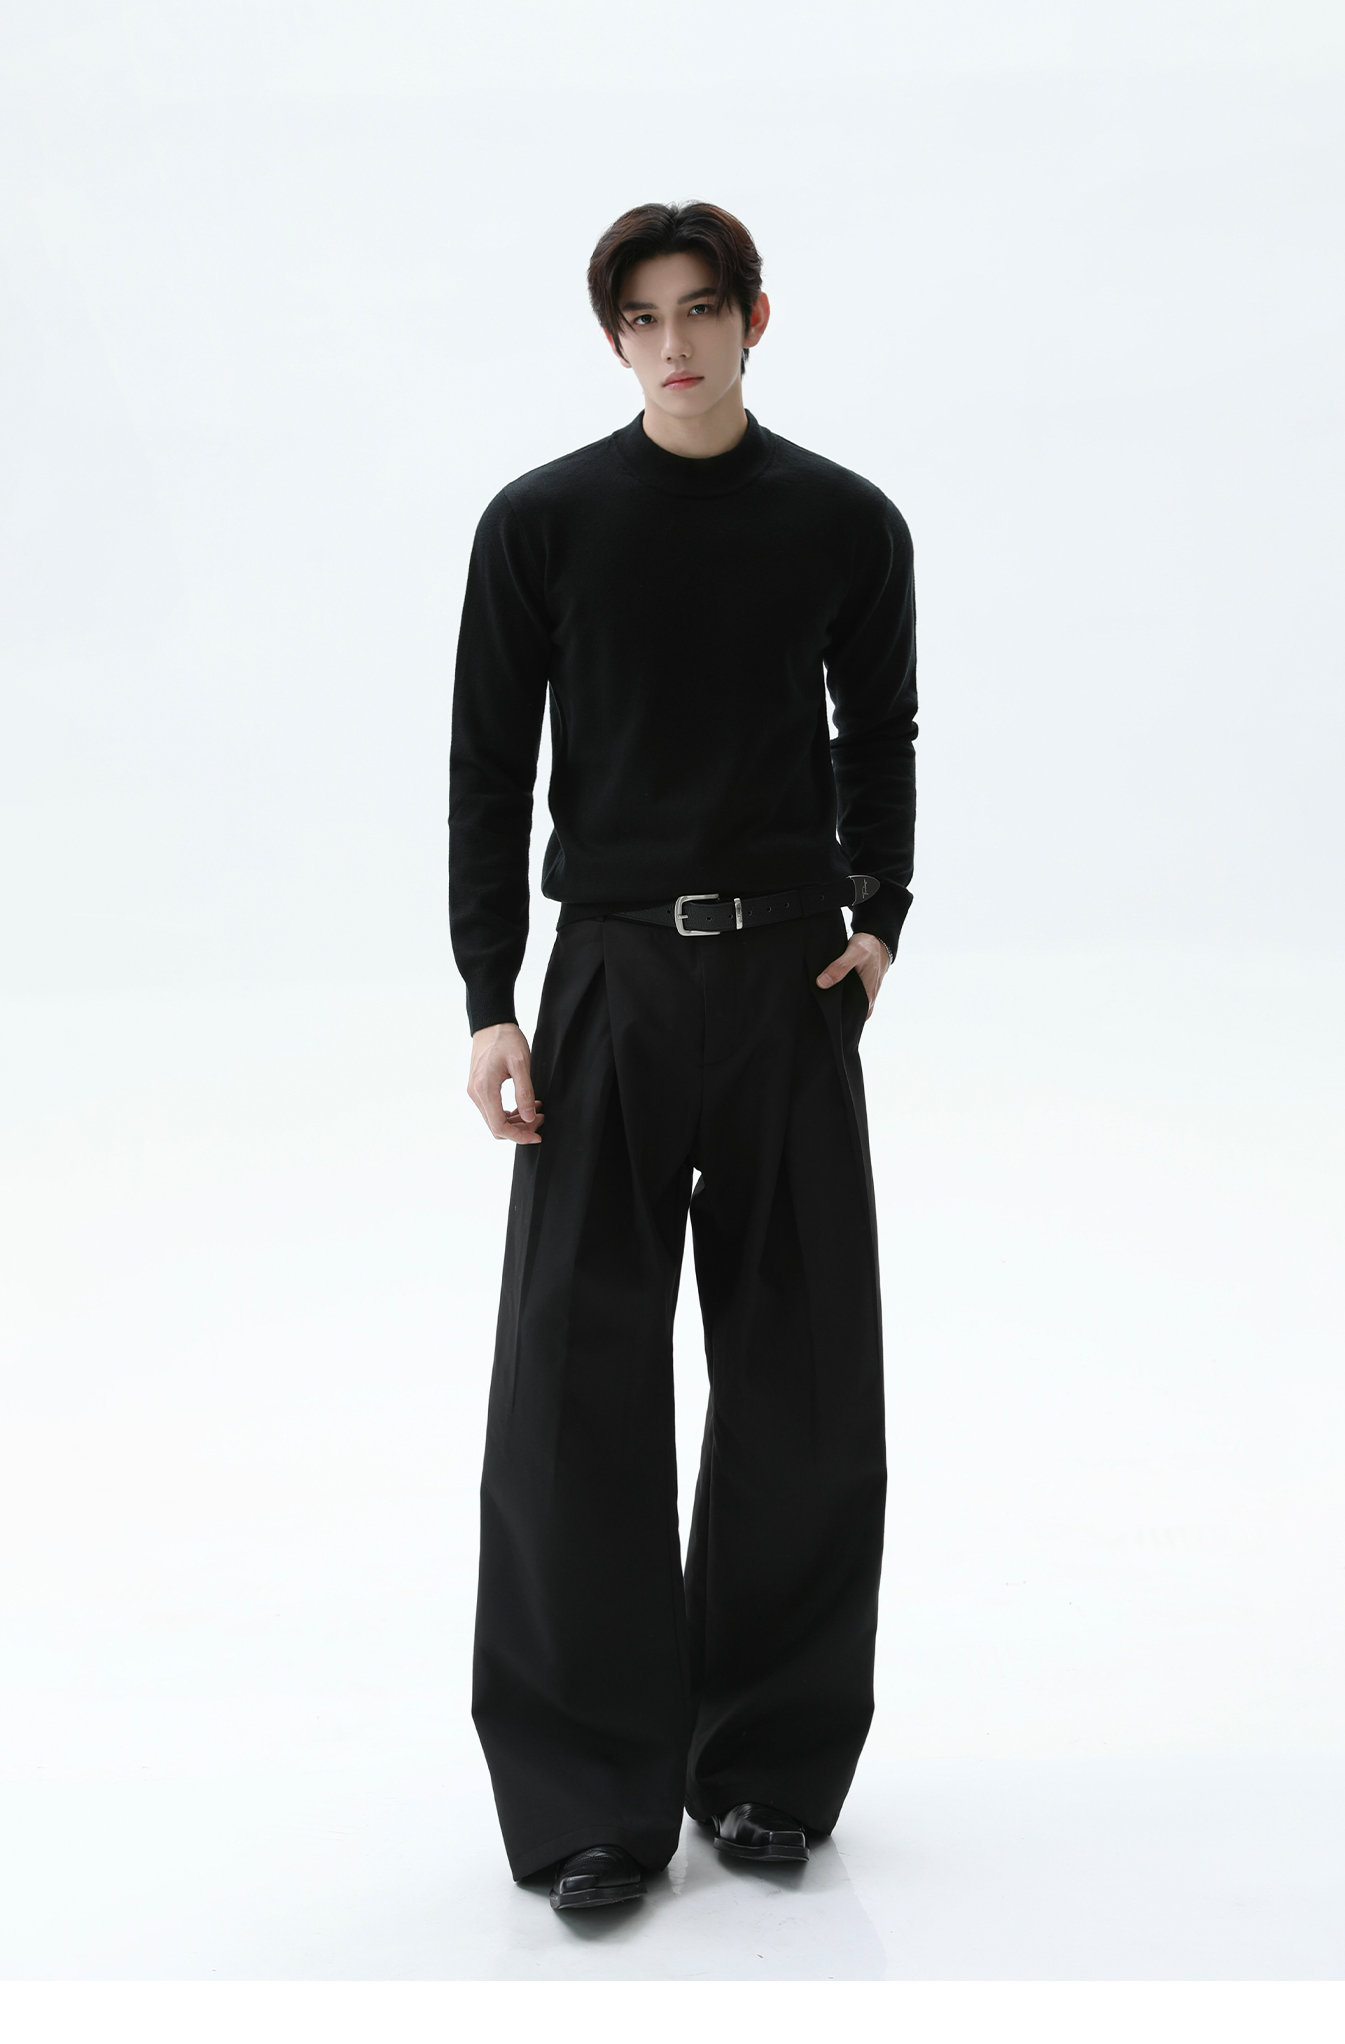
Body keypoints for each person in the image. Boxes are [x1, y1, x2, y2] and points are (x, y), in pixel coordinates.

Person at [449, 200, 917, 1912]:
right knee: (573, 1385)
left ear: (754, 319)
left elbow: (881, 728)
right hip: (610, 979)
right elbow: (487, 765)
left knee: (802, 1374)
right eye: (643, 317)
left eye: (703, 308)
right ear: (614, 339)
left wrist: (883, 914)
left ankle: (768, 1768)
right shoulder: (543, 524)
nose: (675, 343)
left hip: (791, 975)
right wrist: (488, 995)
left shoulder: (845, 521)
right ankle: (589, 1800)